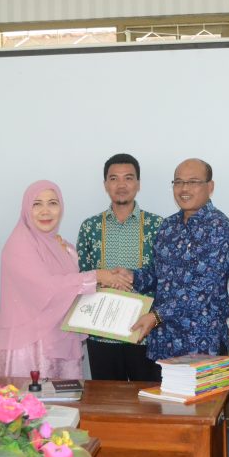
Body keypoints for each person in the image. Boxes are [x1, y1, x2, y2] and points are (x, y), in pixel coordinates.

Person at [0, 180, 132, 379]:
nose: (45, 211)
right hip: (33, 349)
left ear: (61, 208)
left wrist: (105, 281)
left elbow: (73, 288)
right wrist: (98, 276)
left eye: (53, 203)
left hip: (59, 340)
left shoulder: (60, 245)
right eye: (37, 204)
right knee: (31, 398)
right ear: (26, 209)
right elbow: (46, 287)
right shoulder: (19, 244)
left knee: (64, 399)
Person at [128, 158, 229, 362]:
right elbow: (158, 275)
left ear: (210, 186)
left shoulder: (220, 228)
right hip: (162, 341)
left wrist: (157, 316)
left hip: (201, 344)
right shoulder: (168, 226)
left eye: (193, 182)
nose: (184, 188)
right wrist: (131, 277)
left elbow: (203, 289)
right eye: (178, 182)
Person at [76, 153, 164, 381]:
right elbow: (81, 277)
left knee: (146, 397)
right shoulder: (90, 227)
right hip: (101, 333)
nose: (121, 185)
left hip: (145, 333)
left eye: (128, 178)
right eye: (114, 178)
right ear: (105, 184)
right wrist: (106, 279)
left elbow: (166, 278)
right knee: (107, 398)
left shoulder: (158, 226)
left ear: (138, 183)